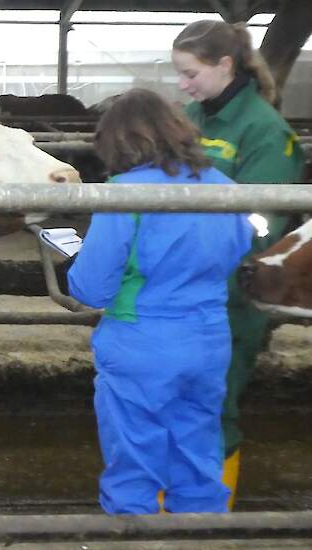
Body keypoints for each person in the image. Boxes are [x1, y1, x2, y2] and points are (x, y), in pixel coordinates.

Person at [68, 88, 254, 514]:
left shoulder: (123, 192)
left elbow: (91, 288)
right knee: (198, 459)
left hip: (141, 341)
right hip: (208, 338)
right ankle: (204, 541)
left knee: (134, 466)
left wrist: (77, 258)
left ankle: (136, 541)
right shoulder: (224, 185)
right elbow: (241, 248)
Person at [172, 19, 306, 509]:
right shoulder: (190, 117)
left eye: (190, 73)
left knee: (215, 404)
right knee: (174, 401)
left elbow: (262, 224)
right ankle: (172, 510)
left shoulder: (267, 133)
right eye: (179, 74)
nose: (183, 85)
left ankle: (209, 515)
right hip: (180, 288)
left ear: (225, 65)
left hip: (232, 291)